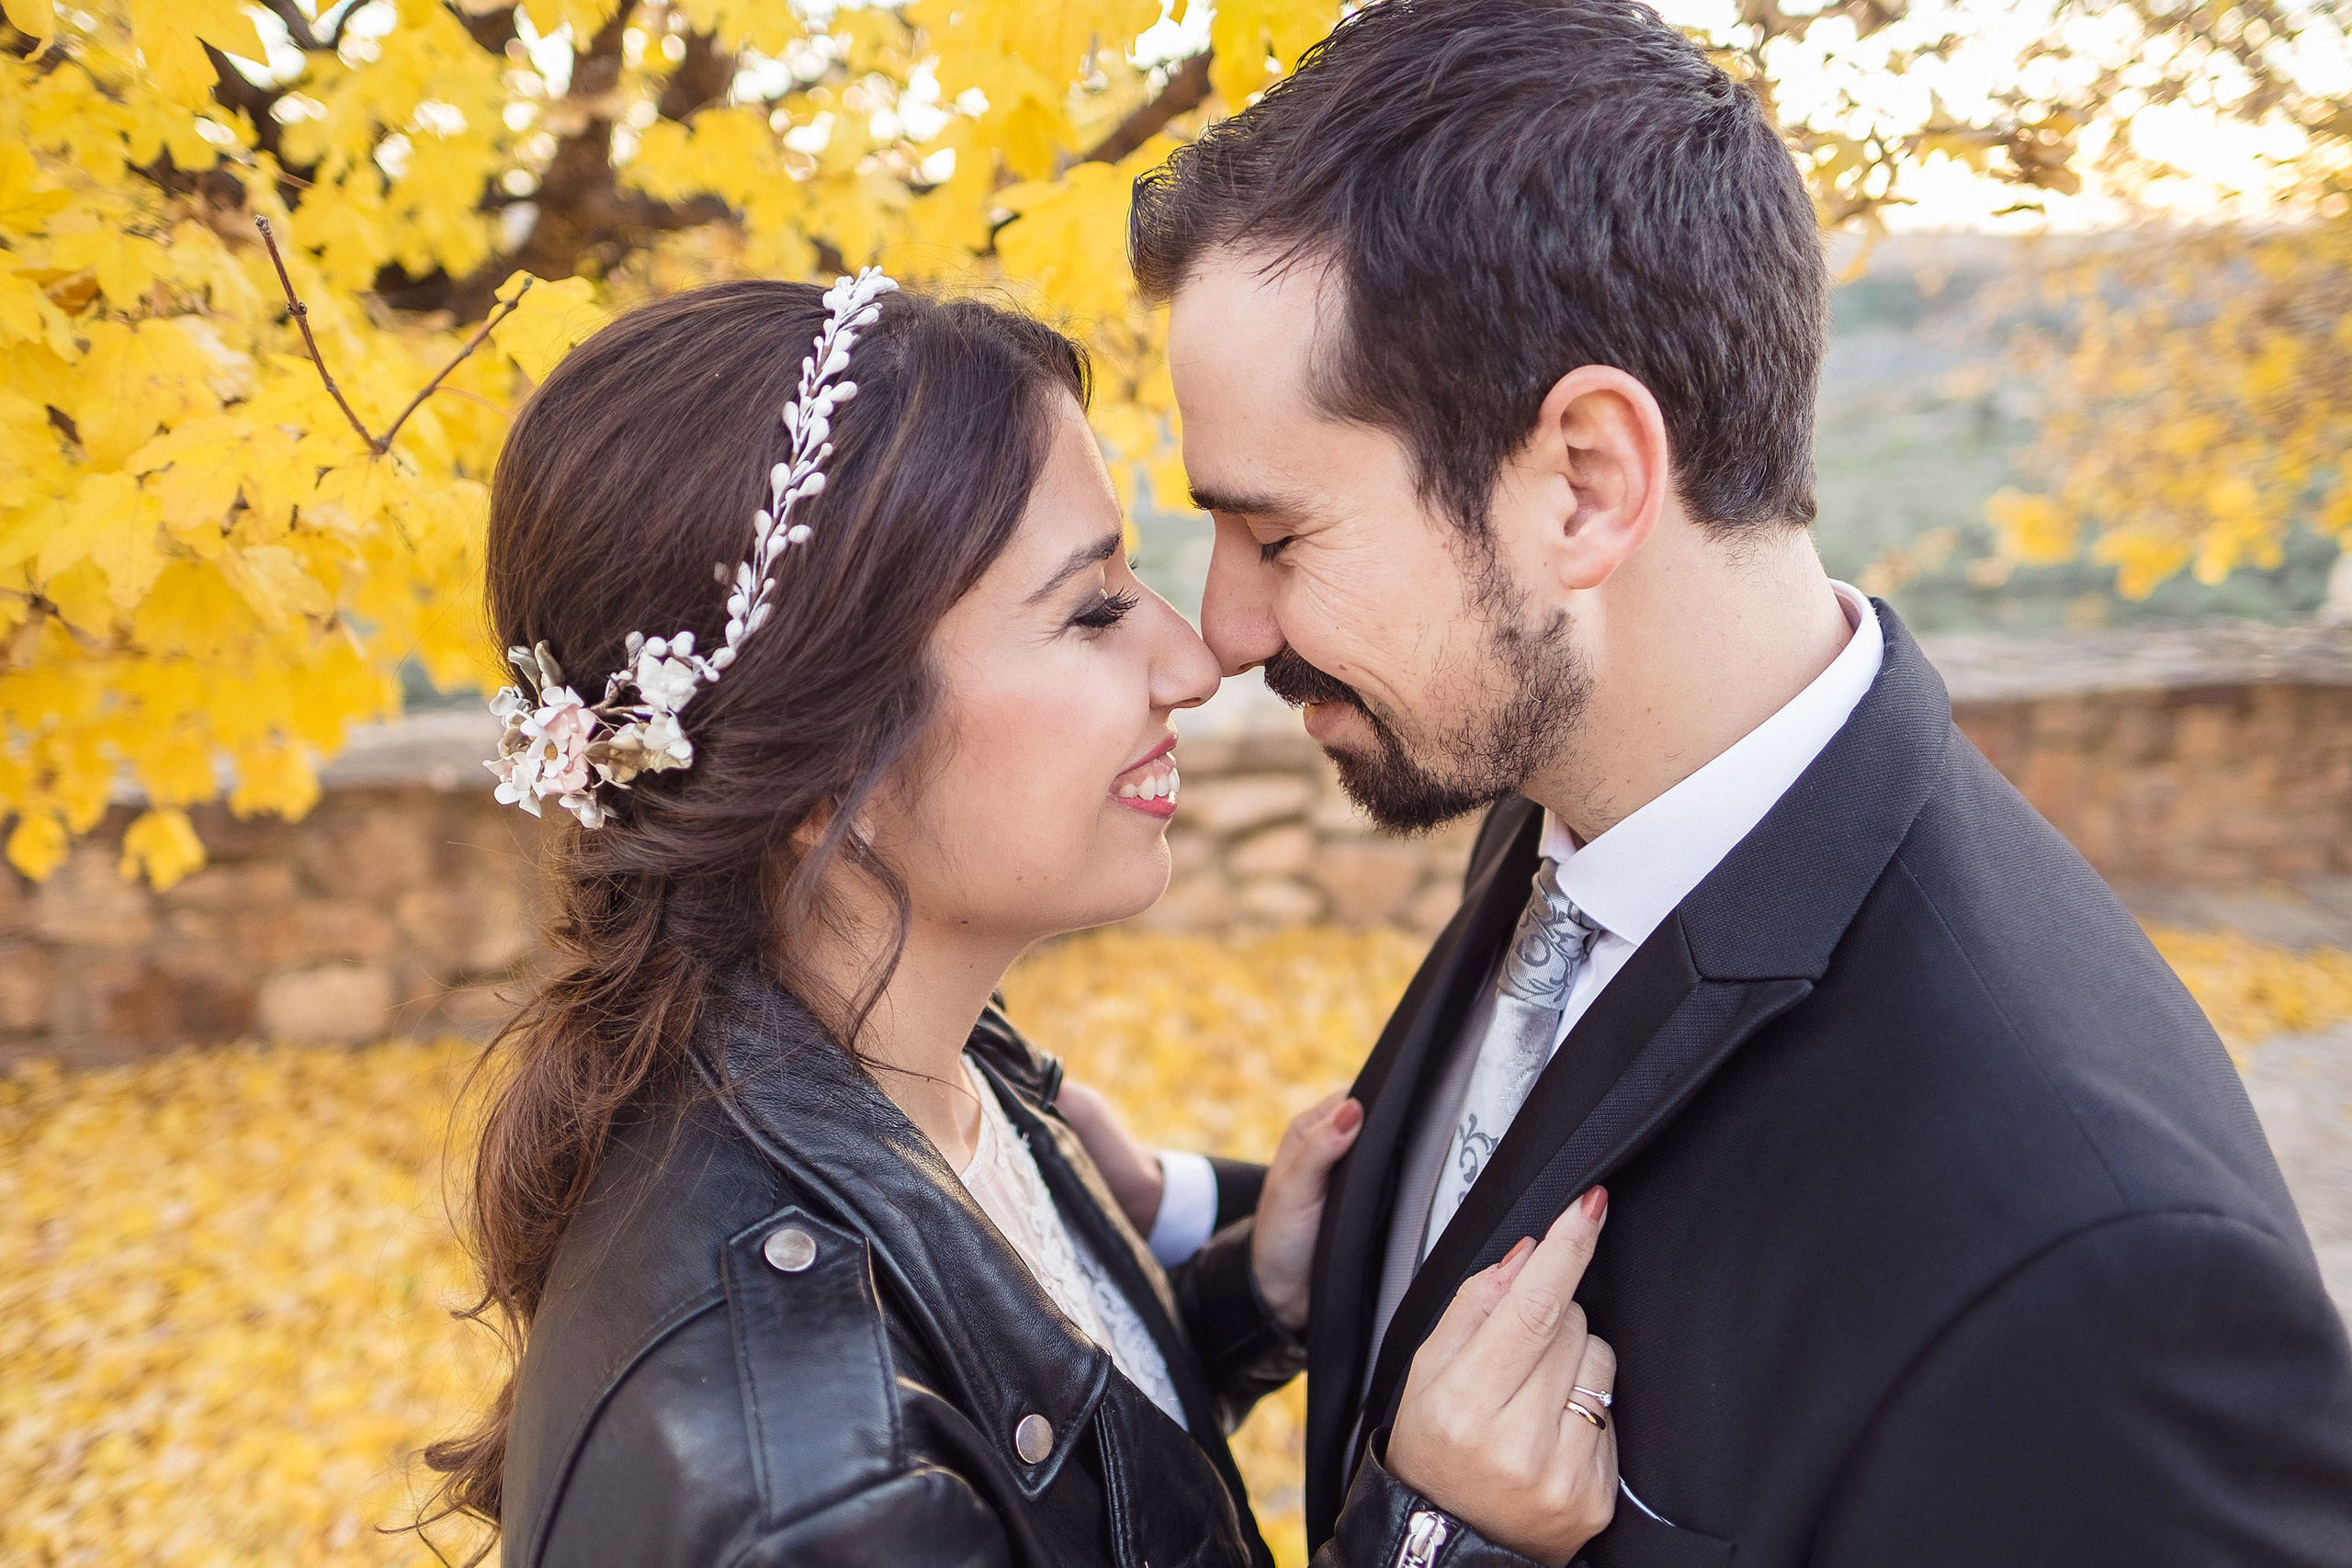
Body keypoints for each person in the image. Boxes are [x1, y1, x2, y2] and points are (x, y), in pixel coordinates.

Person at [1109, 1, 2352, 1562]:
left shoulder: (2093, 1261)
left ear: (1586, 484)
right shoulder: (1568, 783)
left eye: (1279, 537)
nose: (1223, 629)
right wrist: (1184, 1228)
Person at [424, 276, 1623, 1568]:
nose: (1193, 658)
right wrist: (1442, 1541)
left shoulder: (918, 1058)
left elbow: (1032, 1477)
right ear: (822, 755)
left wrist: (1242, 1300)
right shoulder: (814, 1499)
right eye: (1092, 608)